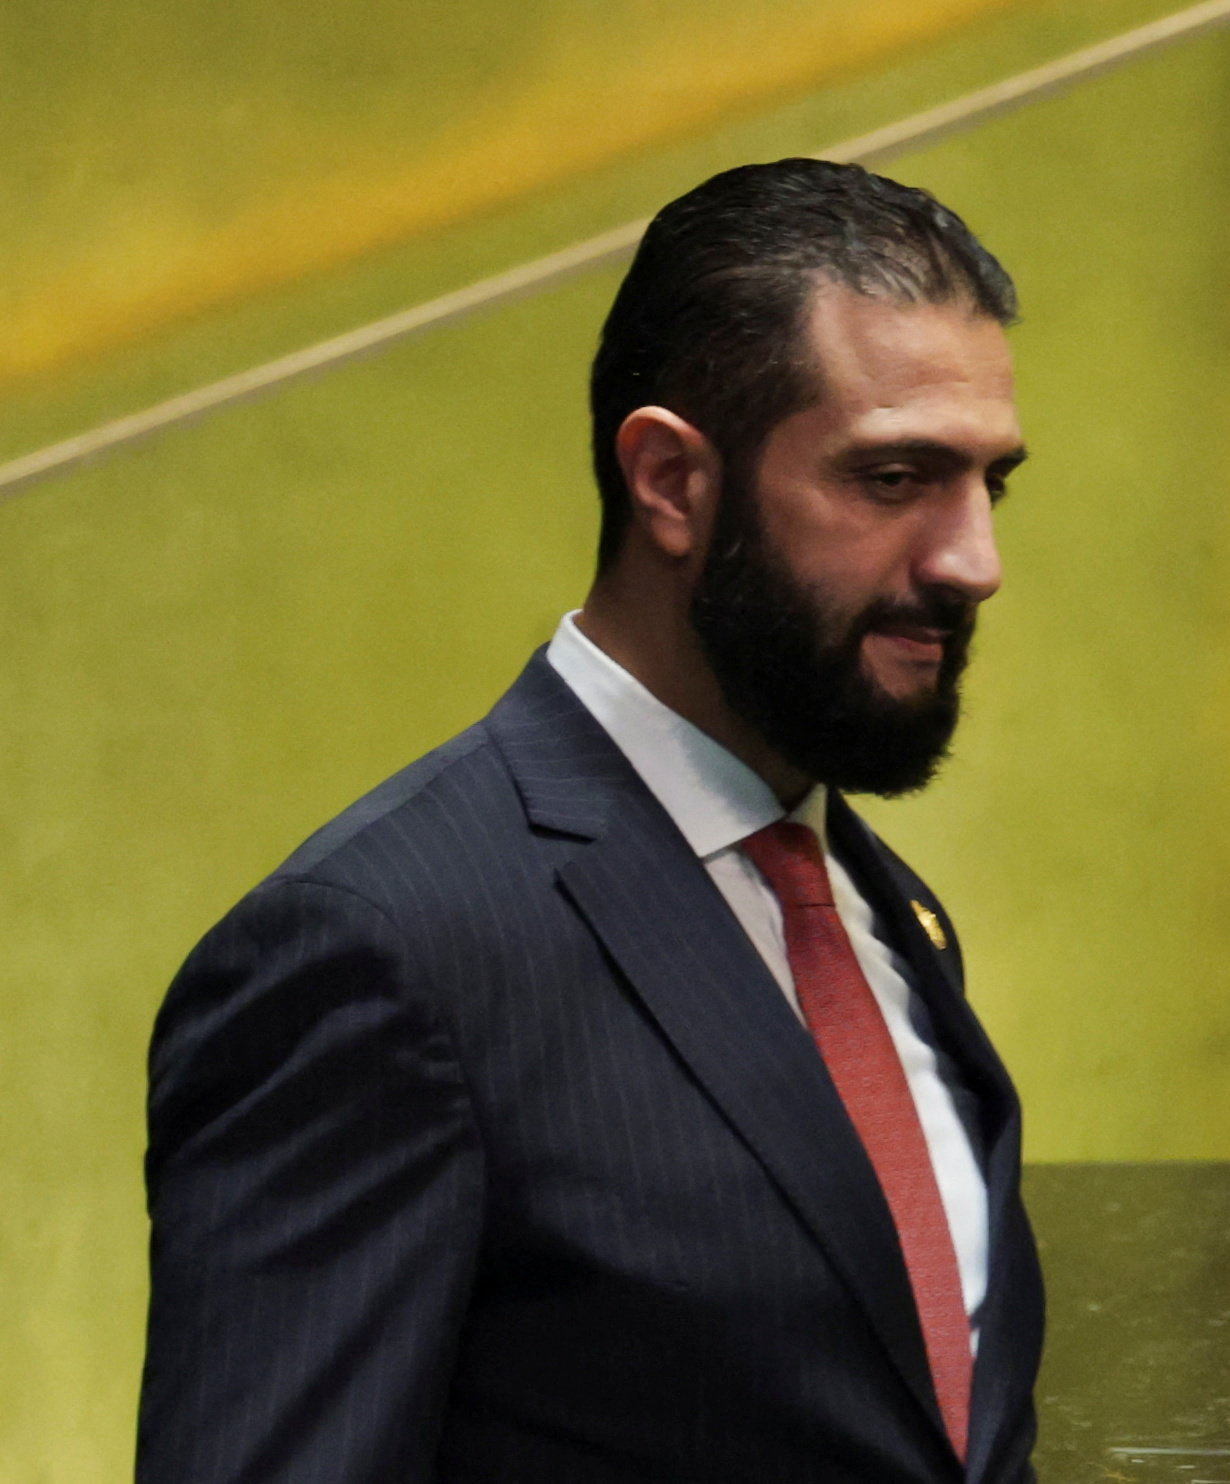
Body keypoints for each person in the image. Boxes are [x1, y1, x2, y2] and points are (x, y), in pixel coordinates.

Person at [138, 159, 1042, 1483]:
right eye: (896, 477)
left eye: (990, 485)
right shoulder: (381, 955)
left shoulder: (881, 913)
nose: (973, 561)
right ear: (672, 481)